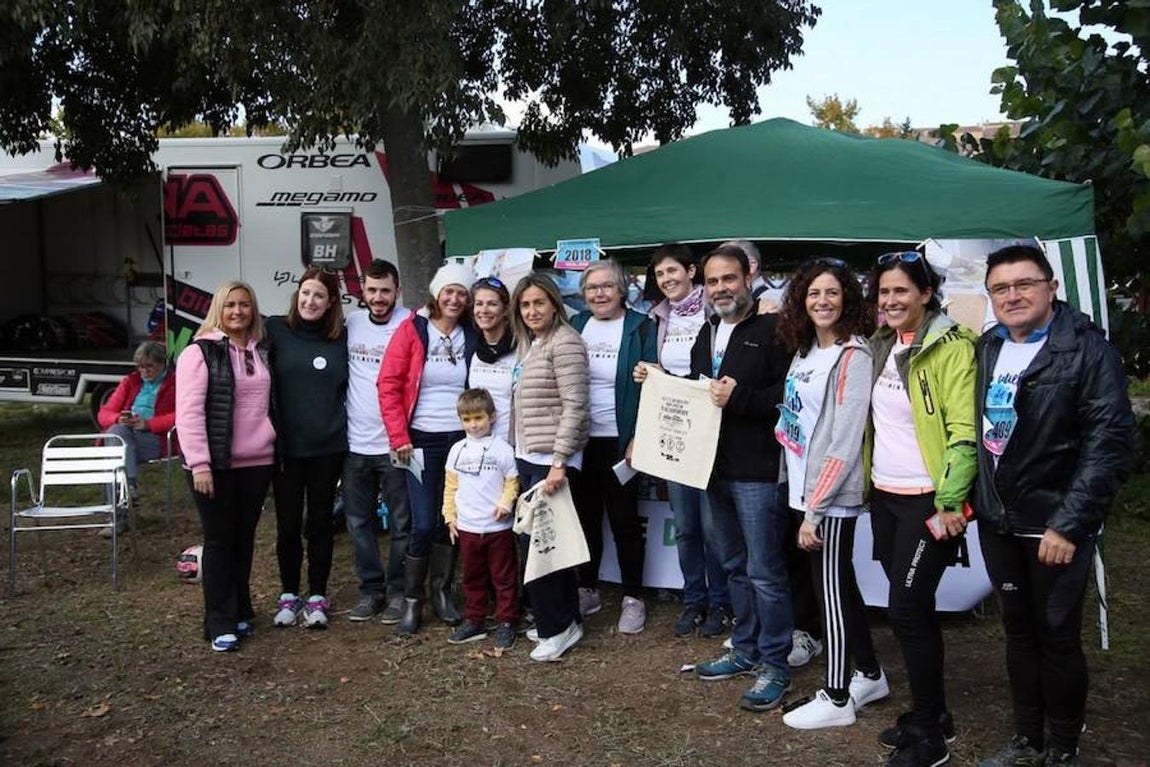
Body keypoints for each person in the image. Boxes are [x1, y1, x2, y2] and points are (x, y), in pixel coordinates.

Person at [972, 245, 1134, 767]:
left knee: (1057, 636)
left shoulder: (1087, 350)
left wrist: (1069, 523)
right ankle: (1028, 739)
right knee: (1018, 633)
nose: (1012, 296)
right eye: (1001, 288)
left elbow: (1109, 442)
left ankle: (1062, 747)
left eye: (1024, 284)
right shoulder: (988, 348)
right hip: (999, 520)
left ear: (1051, 287)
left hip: (1054, 524)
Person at [866, 251, 977, 767]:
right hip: (885, 497)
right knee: (914, 610)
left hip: (928, 502)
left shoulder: (954, 348)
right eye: (884, 292)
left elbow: (964, 434)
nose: (890, 301)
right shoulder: (884, 343)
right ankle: (933, 712)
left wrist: (951, 500)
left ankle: (930, 732)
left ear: (926, 293)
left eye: (901, 292)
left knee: (906, 610)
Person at [771, 258, 887, 731]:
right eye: (813, 293)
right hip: (803, 491)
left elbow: (843, 440)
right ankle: (871, 674)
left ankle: (838, 695)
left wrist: (815, 511)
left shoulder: (852, 356)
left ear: (848, 299)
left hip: (831, 499)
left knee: (830, 595)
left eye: (832, 293)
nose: (822, 301)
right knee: (843, 587)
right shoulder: (804, 351)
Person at [689, 244, 794, 713]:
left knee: (765, 572)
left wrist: (742, 398)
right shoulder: (705, 331)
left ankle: (776, 663)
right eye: (712, 282)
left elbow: (789, 394)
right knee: (732, 566)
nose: (720, 289)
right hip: (712, 468)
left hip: (757, 471)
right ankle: (746, 647)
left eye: (728, 279)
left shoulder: (775, 329)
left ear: (748, 276)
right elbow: (696, 392)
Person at [635, 243, 731, 638]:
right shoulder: (659, 318)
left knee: (713, 528)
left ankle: (721, 603)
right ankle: (694, 599)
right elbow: (667, 371)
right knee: (687, 526)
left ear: (691, 271)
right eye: (660, 275)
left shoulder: (716, 311)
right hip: (675, 432)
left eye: (673, 271)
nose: (667, 280)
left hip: (712, 433)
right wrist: (651, 373)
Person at [175, 281, 275, 653]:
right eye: (230, 305)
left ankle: (240, 608)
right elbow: (188, 414)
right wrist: (199, 463)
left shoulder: (260, 350)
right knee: (218, 541)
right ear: (219, 309)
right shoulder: (199, 353)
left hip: (257, 461)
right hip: (214, 464)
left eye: (245, 305)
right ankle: (219, 620)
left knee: (243, 539)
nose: (237, 311)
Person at [378, 261, 478, 634]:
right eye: (449, 291)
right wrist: (398, 436)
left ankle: (442, 592)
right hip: (419, 439)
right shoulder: (412, 330)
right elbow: (388, 384)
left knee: (449, 518)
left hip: (462, 438)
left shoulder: (470, 332)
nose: (454, 298)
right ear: (437, 293)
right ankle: (412, 599)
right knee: (422, 522)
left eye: (462, 293)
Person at [570, 259, 657, 633]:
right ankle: (587, 588)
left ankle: (633, 597)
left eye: (607, 286)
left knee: (624, 520)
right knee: (585, 518)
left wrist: (639, 435)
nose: (600, 293)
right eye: (592, 288)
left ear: (622, 290)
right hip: (580, 440)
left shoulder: (641, 327)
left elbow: (653, 383)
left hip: (621, 442)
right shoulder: (575, 326)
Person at [510, 274, 590, 662]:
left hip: (552, 462)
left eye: (539, 303)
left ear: (555, 304)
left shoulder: (566, 343)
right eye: (525, 305)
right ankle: (560, 618)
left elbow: (575, 405)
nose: (531, 311)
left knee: (543, 549)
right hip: (530, 457)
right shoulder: (533, 343)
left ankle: (556, 629)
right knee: (538, 545)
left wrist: (559, 462)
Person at [265, 267, 348, 629]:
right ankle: (288, 593)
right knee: (286, 525)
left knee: (319, 524)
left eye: (318, 296)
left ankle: (316, 595)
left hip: (327, 448)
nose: (310, 301)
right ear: (296, 295)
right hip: (285, 449)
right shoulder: (274, 330)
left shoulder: (341, 338)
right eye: (305, 293)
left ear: (330, 303)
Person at [343, 258, 413, 624]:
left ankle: (399, 592)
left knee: (402, 522)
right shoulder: (351, 324)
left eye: (385, 290)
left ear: (397, 291)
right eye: (371, 290)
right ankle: (372, 591)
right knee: (359, 522)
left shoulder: (411, 324)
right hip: (356, 444)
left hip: (396, 444)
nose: (378, 297)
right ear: (362, 291)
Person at [441, 388, 520, 650]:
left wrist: (506, 504)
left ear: (492, 417)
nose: (473, 425)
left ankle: (507, 621)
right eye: (467, 419)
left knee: (504, 576)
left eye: (478, 418)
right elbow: (450, 486)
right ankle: (475, 620)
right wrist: (450, 517)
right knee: (472, 577)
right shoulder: (457, 450)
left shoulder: (503, 449)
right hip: (468, 528)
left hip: (498, 528)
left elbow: (512, 481)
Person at [96, 340, 177, 533]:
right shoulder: (130, 381)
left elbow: (182, 415)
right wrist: (119, 418)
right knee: (117, 435)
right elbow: (104, 413)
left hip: (157, 437)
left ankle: (117, 519)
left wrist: (149, 424)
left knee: (114, 449)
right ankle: (129, 487)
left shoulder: (176, 383)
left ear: (162, 363)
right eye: (141, 367)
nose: (145, 371)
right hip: (127, 436)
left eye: (150, 366)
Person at [468, 276, 516, 440]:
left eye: (492, 304)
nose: (484, 310)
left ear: (505, 310)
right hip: (478, 443)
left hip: (513, 445)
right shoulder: (471, 350)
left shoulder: (521, 348)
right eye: (479, 304)